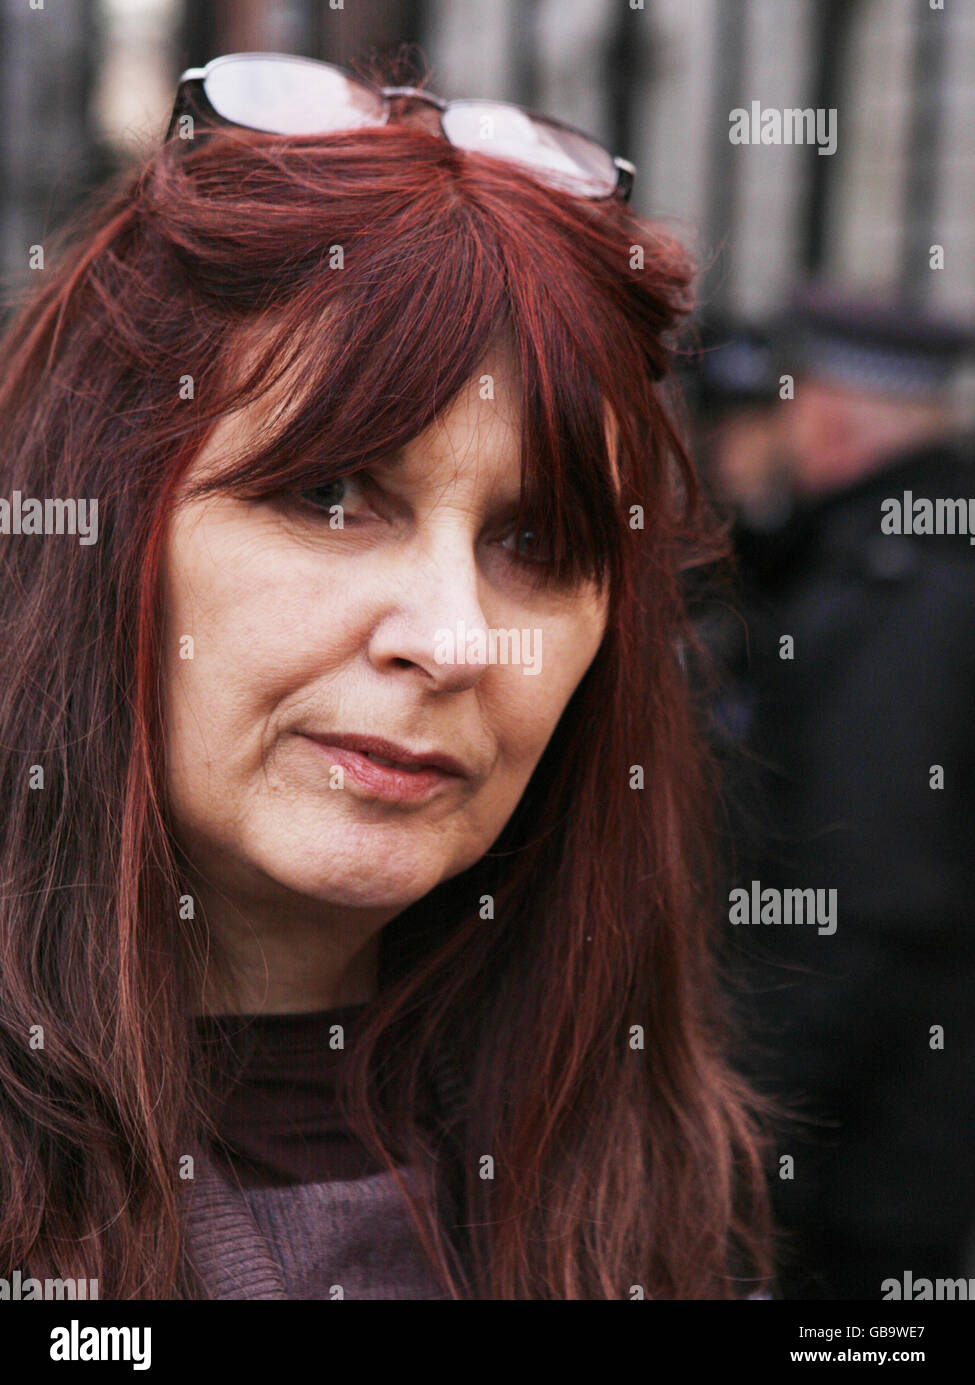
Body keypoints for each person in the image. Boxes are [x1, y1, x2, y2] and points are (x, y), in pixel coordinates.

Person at [0, 51, 773, 1300]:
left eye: (537, 542)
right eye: (330, 495)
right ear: (101, 528)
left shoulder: (639, 1169)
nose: (454, 636)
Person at [712, 283, 975, 1299]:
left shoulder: (904, 590)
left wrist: (757, 1130)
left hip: (860, 1160)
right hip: (873, 1139)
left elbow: (859, 898)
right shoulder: (878, 564)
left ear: (818, 414)